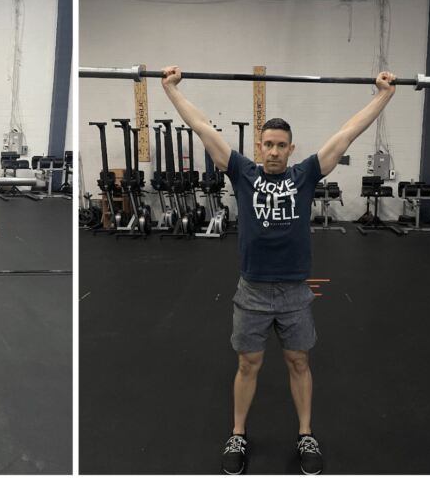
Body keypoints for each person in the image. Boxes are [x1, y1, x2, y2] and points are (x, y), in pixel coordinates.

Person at [161, 66, 397, 474]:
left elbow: (347, 133)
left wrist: (383, 96)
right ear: (259, 146)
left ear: (290, 149)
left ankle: (306, 434)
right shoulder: (242, 172)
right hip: (251, 290)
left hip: (294, 292)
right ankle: (238, 432)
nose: (272, 151)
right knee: (247, 364)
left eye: (280, 146)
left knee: (298, 363)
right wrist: (170, 88)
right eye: (267, 144)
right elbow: (201, 127)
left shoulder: (304, 175)